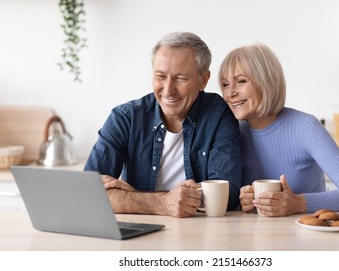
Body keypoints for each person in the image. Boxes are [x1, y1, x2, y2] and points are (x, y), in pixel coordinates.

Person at [84, 32, 242, 218]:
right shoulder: (125, 117)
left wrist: (132, 197)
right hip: (140, 233)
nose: (168, 90)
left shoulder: (218, 115)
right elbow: (87, 191)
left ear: (203, 80)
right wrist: (163, 203)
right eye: (160, 76)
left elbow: (227, 194)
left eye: (180, 78)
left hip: (198, 234)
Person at [218, 42, 339, 217]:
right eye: (225, 84)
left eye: (241, 81)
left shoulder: (305, 127)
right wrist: (243, 200)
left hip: (307, 238)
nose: (230, 93)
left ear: (266, 81)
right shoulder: (230, 133)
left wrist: (299, 203)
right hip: (256, 240)